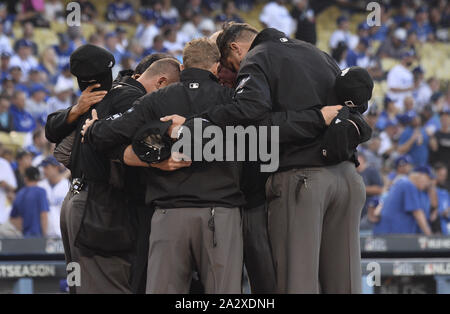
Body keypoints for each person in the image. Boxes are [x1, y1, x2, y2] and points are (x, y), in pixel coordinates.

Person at [163, 23, 367, 293]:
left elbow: (249, 115)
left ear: (236, 48)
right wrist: (318, 118)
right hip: (348, 179)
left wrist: (191, 125)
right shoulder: (320, 55)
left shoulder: (257, 57)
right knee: (346, 283)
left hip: (303, 179)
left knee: (297, 283)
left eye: (229, 63)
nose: (232, 71)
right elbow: (351, 114)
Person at [83, 38, 245, 294]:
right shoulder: (232, 99)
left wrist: (93, 130)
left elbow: (107, 134)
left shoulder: (157, 100)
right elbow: (260, 142)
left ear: (182, 67)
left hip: (169, 214)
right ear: (216, 68)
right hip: (220, 213)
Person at [373, 166, 434, 235]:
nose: (428, 183)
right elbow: (418, 213)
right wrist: (430, 237)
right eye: (428, 179)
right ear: (420, 175)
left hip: (386, 234)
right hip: (392, 236)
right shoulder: (408, 185)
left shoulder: (402, 182)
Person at [9, 167, 49, 238]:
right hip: (38, 237)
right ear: (38, 178)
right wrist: (45, 236)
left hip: (25, 237)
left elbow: (12, 219)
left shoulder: (20, 194)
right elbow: (43, 215)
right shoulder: (41, 192)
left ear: (26, 178)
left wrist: (22, 229)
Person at [39, 156, 69, 238]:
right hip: (46, 233)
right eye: (43, 168)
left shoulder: (67, 185)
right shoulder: (40, 186)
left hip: (64, 232)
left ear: (56, 167)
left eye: (46, 167)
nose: (44, 170)